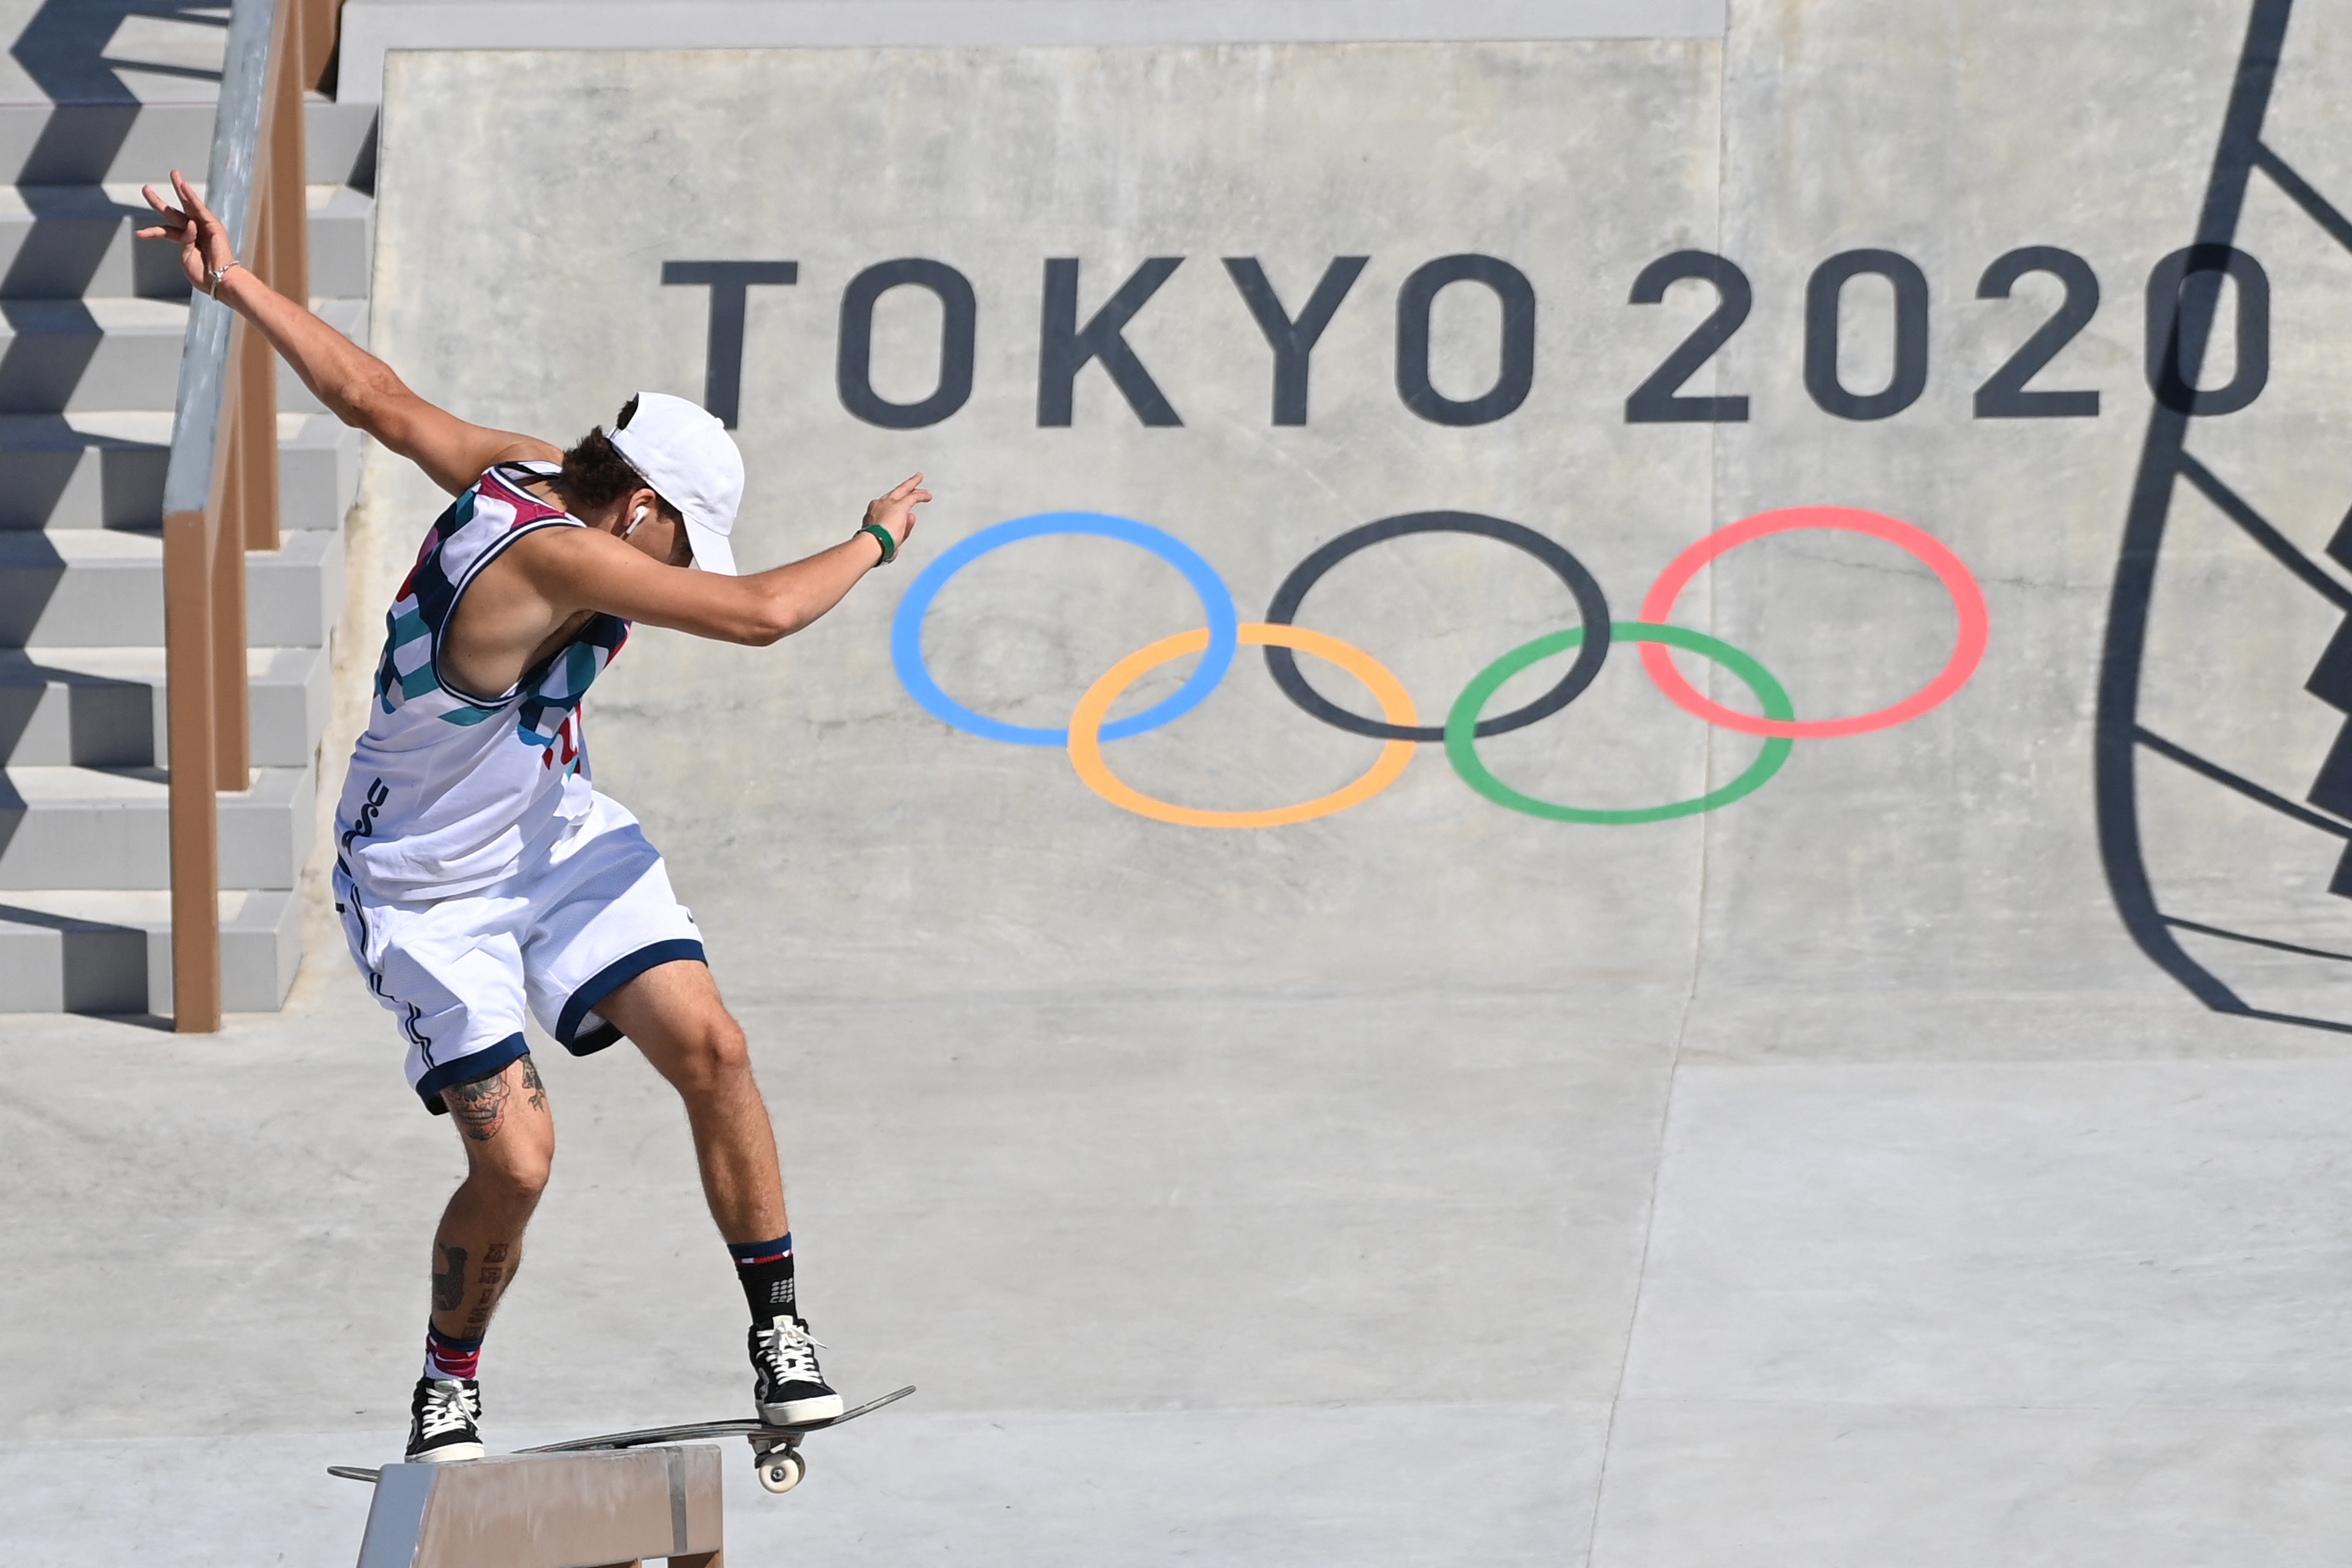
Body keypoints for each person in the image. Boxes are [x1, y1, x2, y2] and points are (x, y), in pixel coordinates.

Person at [139, 172, 927, 1463]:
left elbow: (376, 400)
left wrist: (235, 280)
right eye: (681, 546)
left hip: (552, 833)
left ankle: (780, 1328)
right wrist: (876, 540)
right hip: (419, 882)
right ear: (644, 511)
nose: (676, 574)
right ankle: (449, 1380)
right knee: (518, 1163)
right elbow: (764, 615)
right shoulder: (553, 550)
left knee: (714, 1050)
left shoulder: (537, 474)